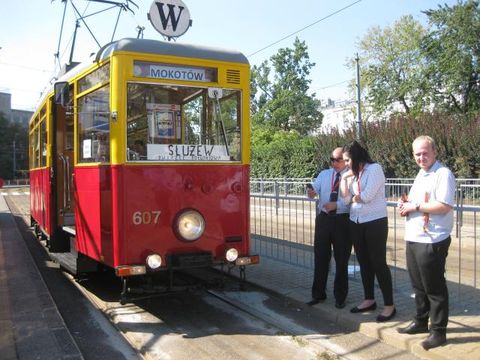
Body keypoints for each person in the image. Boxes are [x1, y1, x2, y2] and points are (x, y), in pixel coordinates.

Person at [397, 135, 455, 350]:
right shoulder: (421, 174)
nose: (421, 157)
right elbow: (417, 203)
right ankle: (421, 321)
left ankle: (438, 332)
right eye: (417, 154)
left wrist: (416, 206)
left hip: (433, 238)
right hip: (414, 237)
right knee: (418, 286)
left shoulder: (443, 174)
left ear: (434, 152)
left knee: (434, 288)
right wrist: (406, 205)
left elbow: (444, 205)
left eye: (425, 153)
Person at [339, 140, 396, 322]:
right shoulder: (354, 175)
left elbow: (367, 196)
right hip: (355, 221)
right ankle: (369, 299)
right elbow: (345, 200)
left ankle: (389, 305)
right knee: (364, 262)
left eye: (347, 160)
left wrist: (355, 197)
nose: (345, 164)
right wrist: (343, 178)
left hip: (375, 222)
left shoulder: (374, 169)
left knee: (378, 263)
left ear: (356, 157)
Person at [307, 147, 352, 309]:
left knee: (341, 260)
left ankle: (340, 296)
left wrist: (337, 205)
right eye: (332, 160)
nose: (334, 163)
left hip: (342, 220)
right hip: (324, 219)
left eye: (338, 160)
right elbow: (315, 189)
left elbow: (352, 200)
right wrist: (311, 192)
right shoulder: (324, 174)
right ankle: (318, 294)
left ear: (346, 159)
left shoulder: (352, 176)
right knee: (320, 257)